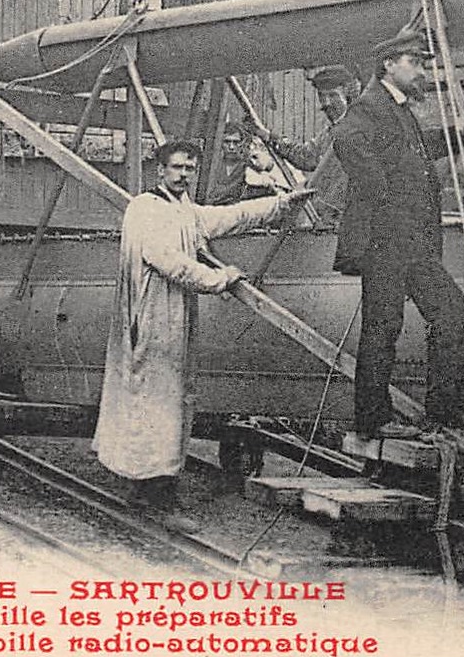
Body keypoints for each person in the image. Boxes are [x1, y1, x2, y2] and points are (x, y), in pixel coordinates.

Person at [92, 140, 314, 508]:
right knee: (155, 404)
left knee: (170, 403)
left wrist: (279, 205)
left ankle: (154, 486)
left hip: (174, 317)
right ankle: (154, 493)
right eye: (177, 167)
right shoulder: (145, 209)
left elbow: (228, 217)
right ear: (159, 170)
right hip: (151, 320)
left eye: (189, 169)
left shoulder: (183, 210)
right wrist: (221, 278)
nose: (183, 175)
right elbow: (170, 263)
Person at [332, 26, 464, 441]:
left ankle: (445, 414)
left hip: (412, 244)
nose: (422, 71)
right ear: (388, 65)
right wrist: (380, 193)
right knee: (383, 327)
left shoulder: (399, 110)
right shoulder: (369, 106)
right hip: (385, 240)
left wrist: (458, 136)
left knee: (450, 311)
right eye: (415, 62)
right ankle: (372, 418)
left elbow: (408, 151)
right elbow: (344, 138)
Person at [254, 65, 359, 224]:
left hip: (349, 218)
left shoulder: (359, 130)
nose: (327, 103)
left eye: (333, 95)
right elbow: (307, 156)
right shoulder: (329, 133)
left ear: (347, 94)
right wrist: (270, 137)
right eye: (322, 97)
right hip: (328, 217)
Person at [204, 124, 252, 206]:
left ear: (242, 144)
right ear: (221, 143)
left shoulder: (247, 167)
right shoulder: (214, 166)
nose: (231, 147)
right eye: (227, 142)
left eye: (236, 142)